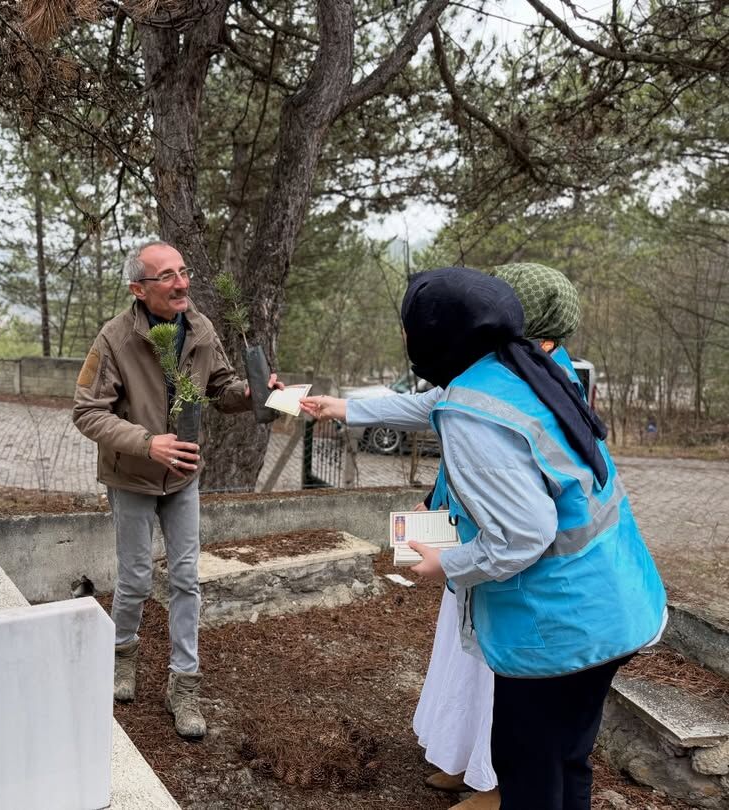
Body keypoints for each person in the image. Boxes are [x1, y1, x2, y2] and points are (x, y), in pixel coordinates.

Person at [301, 266, 666, 810]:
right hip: (618, 603)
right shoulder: (524, 369)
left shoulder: (472, 416)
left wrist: (445, 564)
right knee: (569, 759)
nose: (404, 336)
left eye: (409, 326)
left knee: (528, 776)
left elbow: (523, 534)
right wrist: (347, 408)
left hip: (557, 628)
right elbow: (439, 405)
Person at [72, 239, 279, 740]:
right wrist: (148, 443)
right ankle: (122, 656)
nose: (181, 283)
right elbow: (87, 412)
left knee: (186, 578)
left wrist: (249, 392)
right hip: (132, 476)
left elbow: (221, 387)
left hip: (183, 475)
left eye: (183, 272)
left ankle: (184, 684)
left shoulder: (201, 328)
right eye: (167, 276)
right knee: (136, 578)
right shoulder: (114, 339)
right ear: (138, 289)